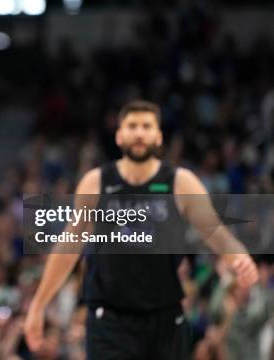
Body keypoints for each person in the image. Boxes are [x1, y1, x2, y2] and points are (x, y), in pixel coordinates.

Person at [24, 100, 258, 360]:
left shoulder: (180, 182)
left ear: (158, 136)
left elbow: (215, 232)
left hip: (165, 319)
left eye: (146, 126)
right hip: (109, 320)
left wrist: (238, 256)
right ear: (119, 135)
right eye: (132, 126)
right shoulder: (96, 183)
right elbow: (69, 247)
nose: (139, 133)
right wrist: (39, 304)